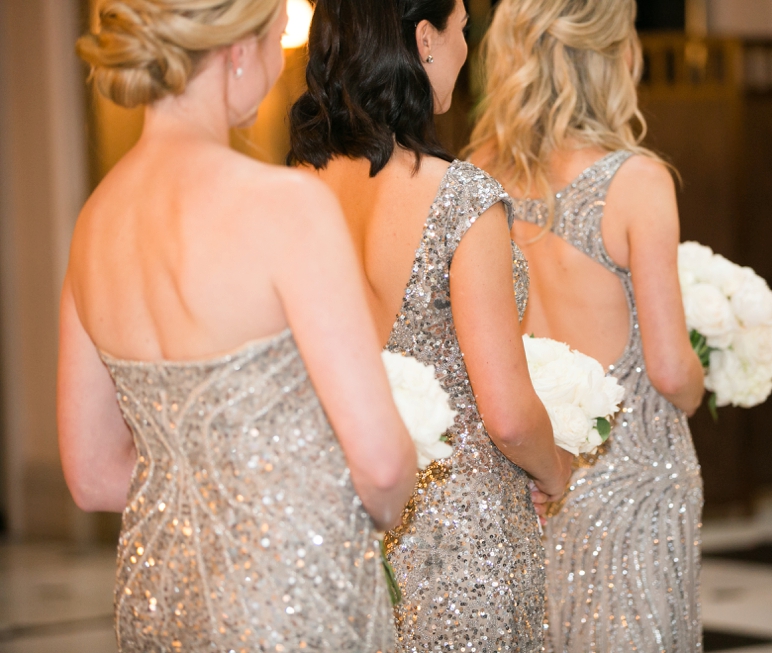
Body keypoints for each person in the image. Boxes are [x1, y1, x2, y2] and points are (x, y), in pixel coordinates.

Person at [58, 0, 418, 650]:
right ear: (238, 52)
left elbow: (90, 475)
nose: (282, 61)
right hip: (289, 592)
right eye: (279, 39)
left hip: (157, 590)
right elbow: (384, 466)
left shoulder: (94, 222)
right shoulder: (285, 206)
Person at [287, 0, 573, 649]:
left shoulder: (298, 190)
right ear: (425, 38)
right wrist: (555, 470)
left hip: (348, 530)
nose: (467, 50)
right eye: (463, 29)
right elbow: (507, 413)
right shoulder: (461, 198)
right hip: (467, 547)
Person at [468, 0, 706, 650]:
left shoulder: (476, 175)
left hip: (532, 475)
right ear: (612, 55)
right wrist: (701, 372)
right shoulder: (636, 181)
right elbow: (668, 369)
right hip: (637, 486)